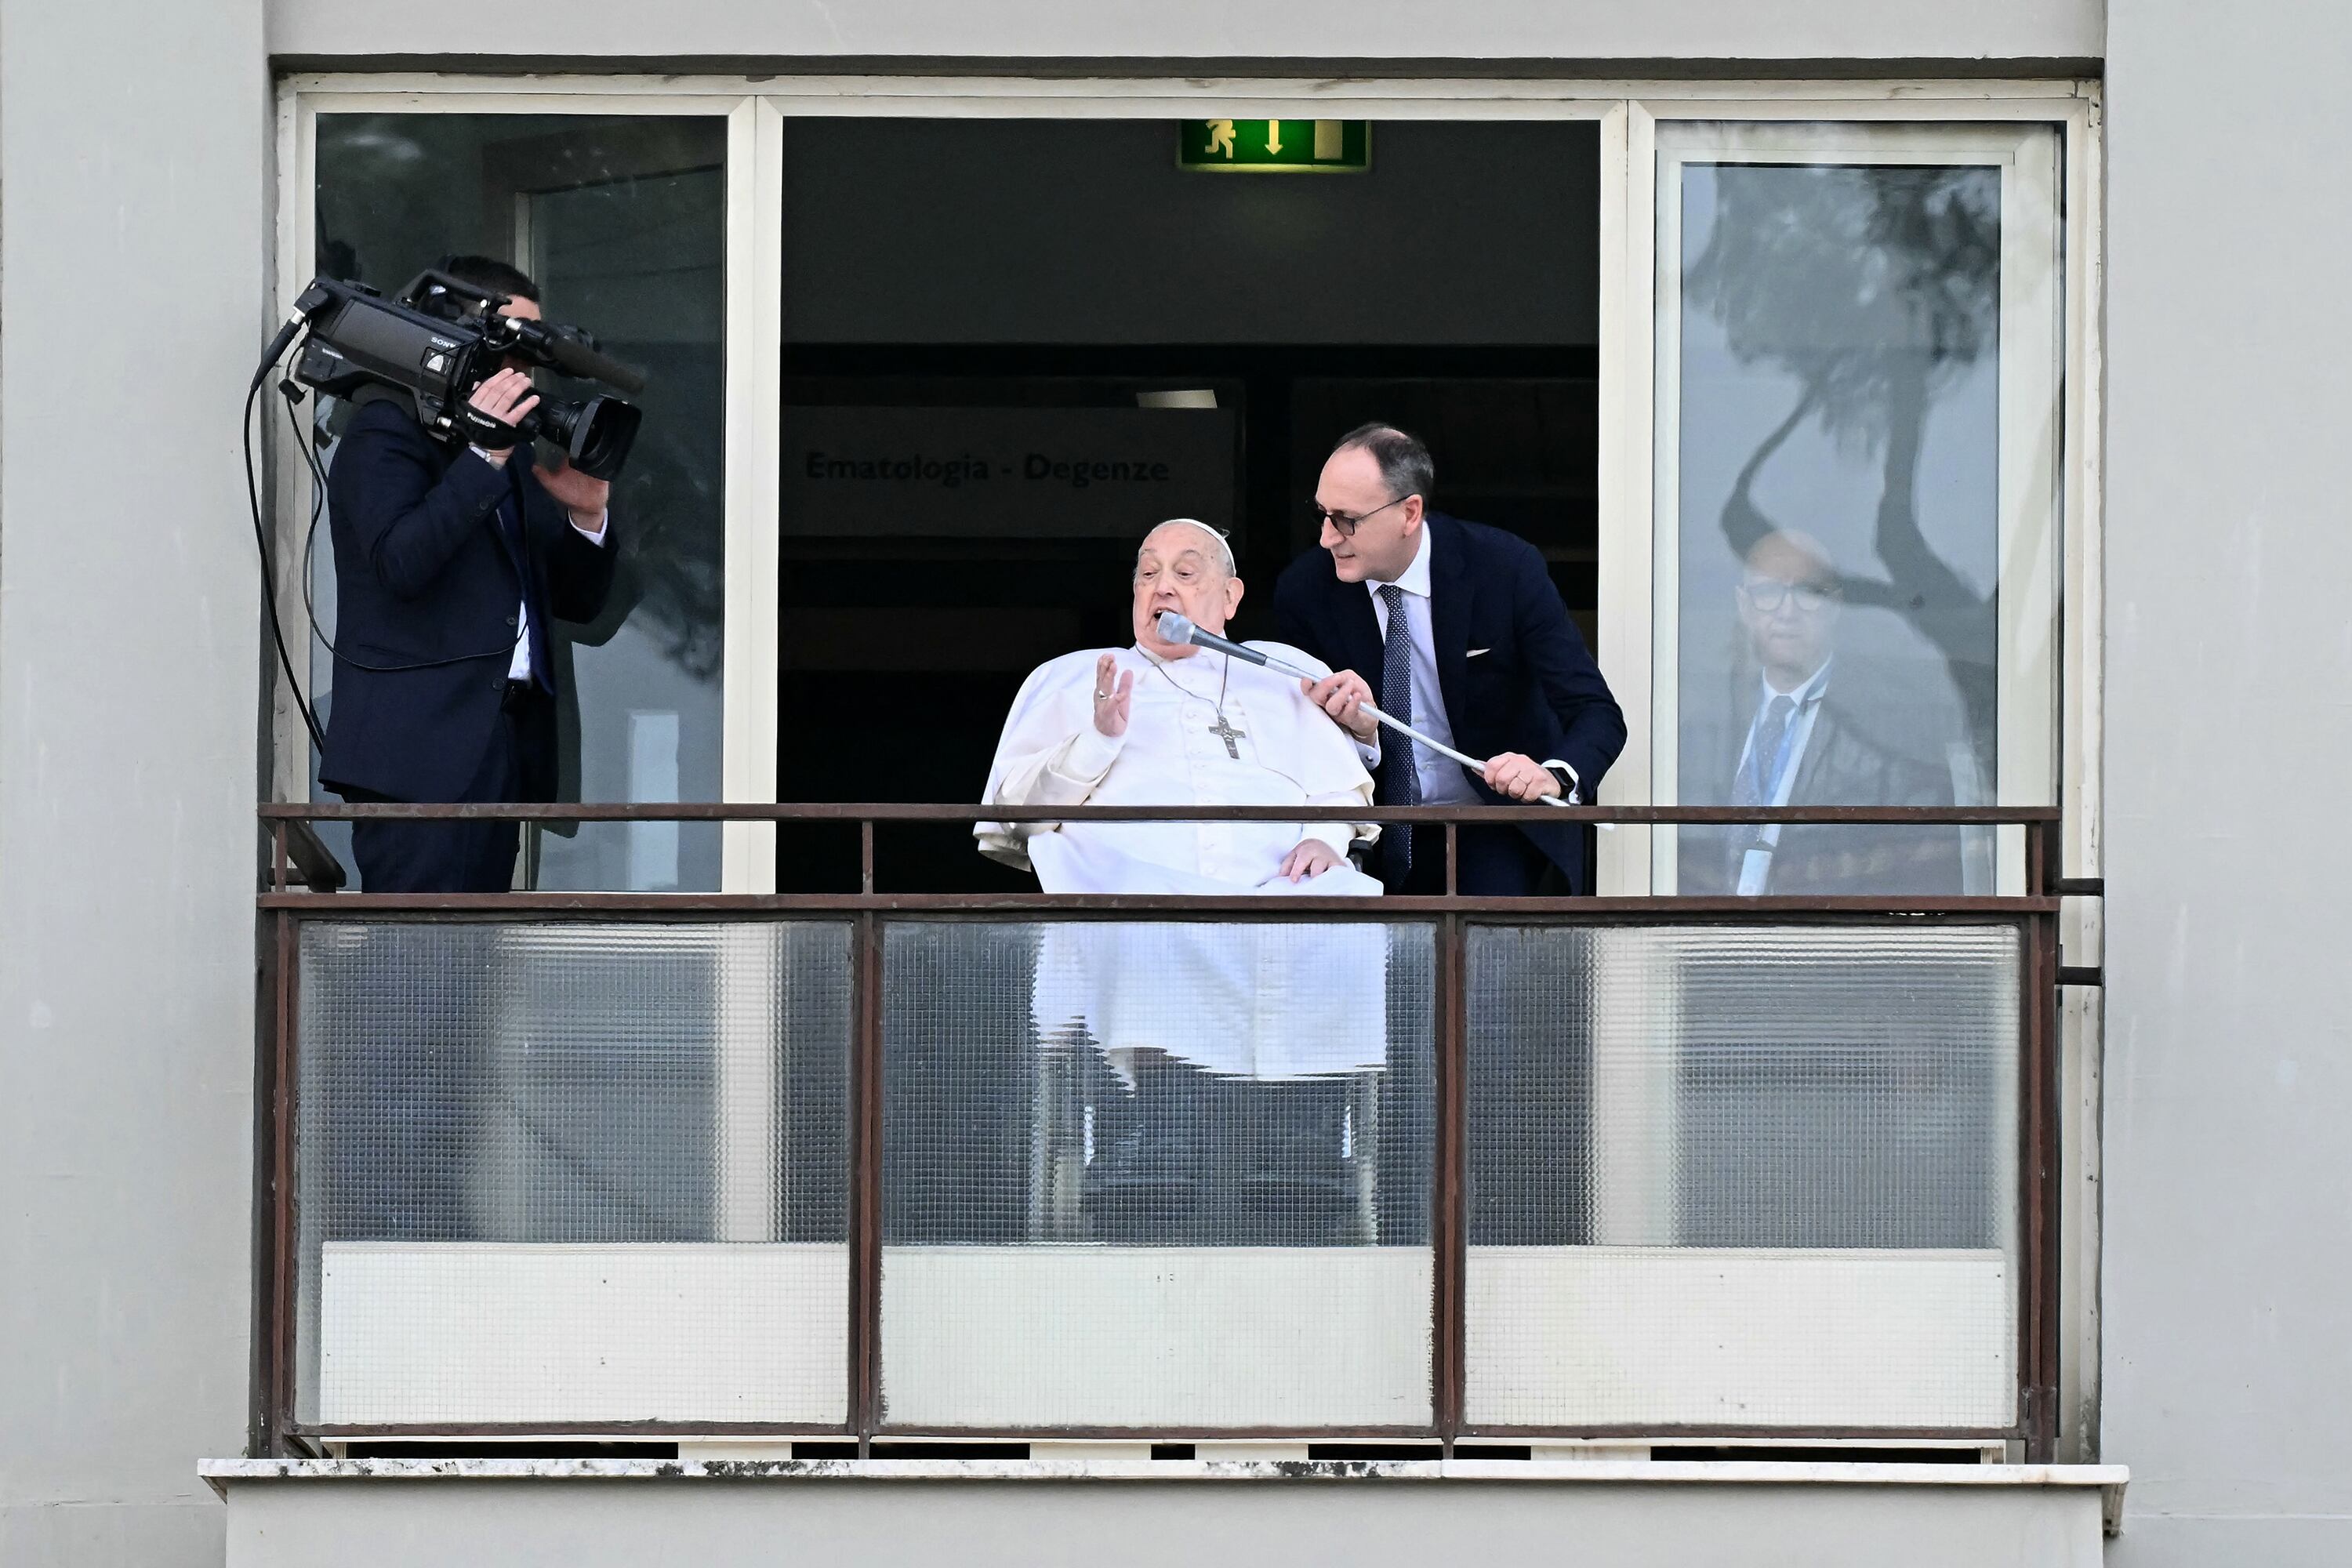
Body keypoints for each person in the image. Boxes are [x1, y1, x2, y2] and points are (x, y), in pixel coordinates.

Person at [978, 520, 1399, 1244]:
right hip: (1136, 888)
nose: (1162, 586)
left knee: (1348, 910)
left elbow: (1343, 792)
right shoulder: (1077, 676)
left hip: (1277, 888)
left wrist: (1324, 839)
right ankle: (1148, 1163)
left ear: (1230, 596)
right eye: (1147, 573)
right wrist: (1098, 738)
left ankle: (1297, 1165)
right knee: (1151, 929)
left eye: (1186, 571)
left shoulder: (1282, 670)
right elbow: (1014, 813)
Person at [317, 255, 620, 894]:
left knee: (473, 969)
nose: (523, 372)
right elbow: (400, 563)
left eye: (532, 357)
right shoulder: (385, 427)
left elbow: (578, 603)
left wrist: (587, 515)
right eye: (511, 348)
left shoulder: (508, 453)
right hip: (417, 751)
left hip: (500, 743)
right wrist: (483, 453)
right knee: (414, 965)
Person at [1274, 423, 1626, 895]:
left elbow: (1596, 712)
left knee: (1491, 954)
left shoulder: (1504, 567)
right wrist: (1357, 731)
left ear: (1409, 512)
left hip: (1492, 821)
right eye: (1321, 514)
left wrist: (1552, 775)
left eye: (1346, 520)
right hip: (1369, 829)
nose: (1326, 538)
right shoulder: (1305, 591)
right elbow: (1297, 738)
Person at [1679, 528, 1964, 895]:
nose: (1787, 611)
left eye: (1808, 593)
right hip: (1714, 938)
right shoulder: (1703, 726)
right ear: (1744, 607)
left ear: (1836, 605)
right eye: (1768, 593)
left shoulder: (1882, 725)